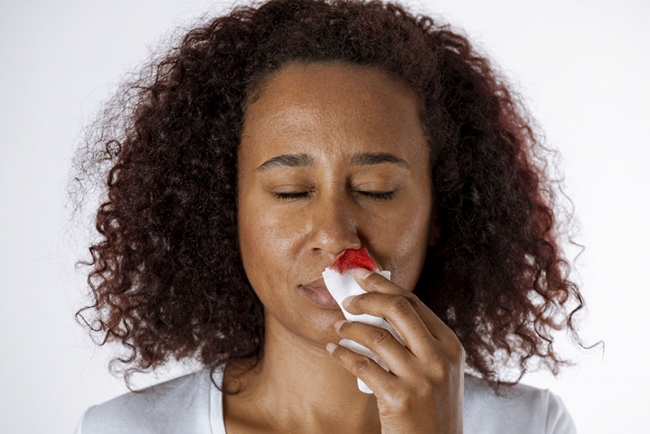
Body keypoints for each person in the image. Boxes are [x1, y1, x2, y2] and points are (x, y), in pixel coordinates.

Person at [73, 0, 584, 432]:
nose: (336, 235)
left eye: (376, 190)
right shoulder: (123, 429)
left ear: (439, 215)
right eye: (291, 191)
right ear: (228, 212)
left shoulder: (531, 424)